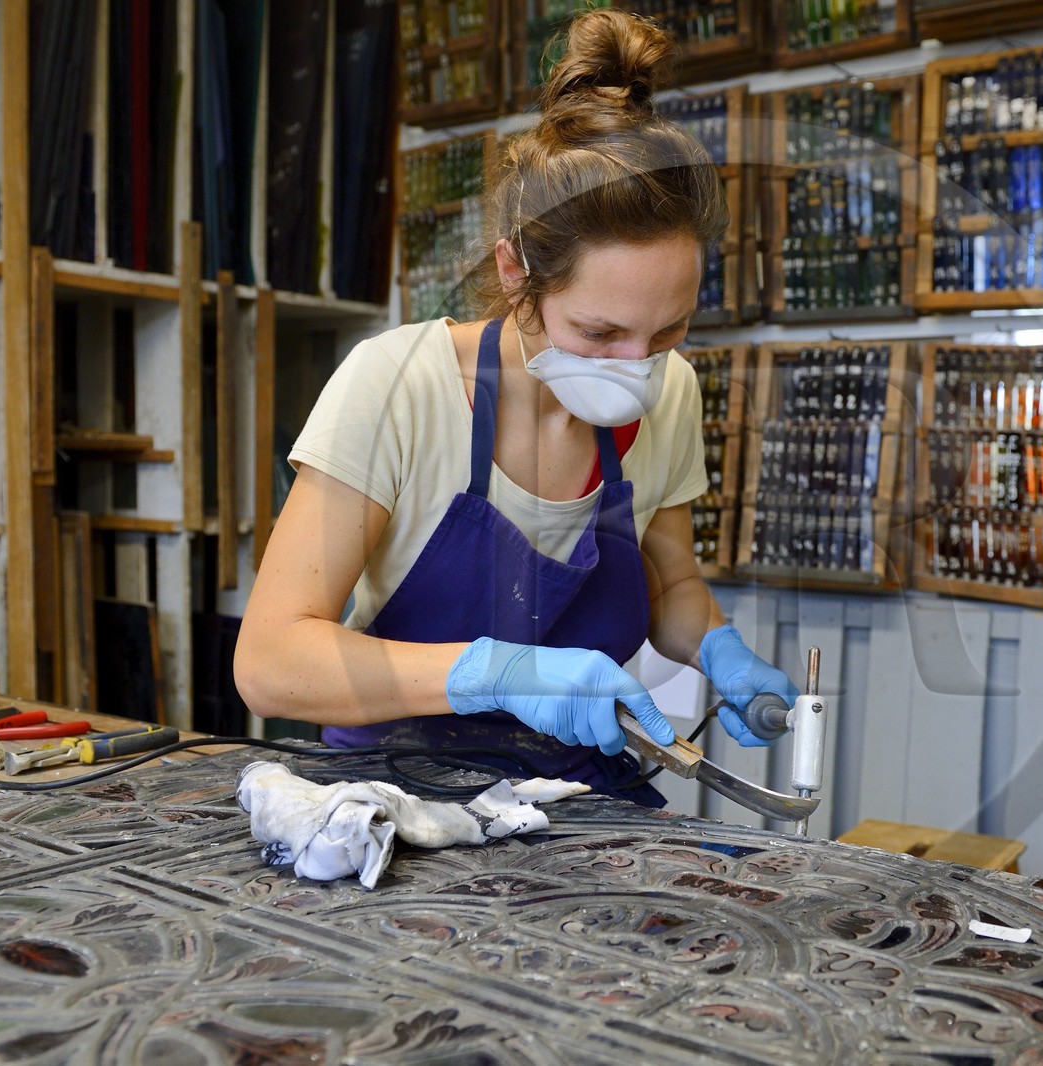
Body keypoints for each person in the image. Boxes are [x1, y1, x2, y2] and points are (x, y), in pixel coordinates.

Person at [234, 9, 797, 805]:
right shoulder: (398, 386)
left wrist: (721, 650)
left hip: (573, 802)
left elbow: (668, 585)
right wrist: (497, 673)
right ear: (515, 270)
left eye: (666, 330)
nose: (634, 367)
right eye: (598, 332)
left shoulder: (669, 391)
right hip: (397, 792)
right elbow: (271, 663)